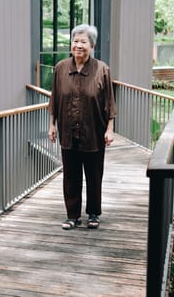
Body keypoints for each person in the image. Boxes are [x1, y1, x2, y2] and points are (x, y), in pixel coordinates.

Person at [48, 24, 117, 230]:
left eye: (83, 42)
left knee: (94, 175)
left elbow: (109, 103)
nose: (78, 45)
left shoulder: (102, 70)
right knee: (71, 175)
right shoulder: (61, 68)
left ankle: (94, 213)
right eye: (75, 41)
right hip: (68, 131)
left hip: (94, 133)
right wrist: (52, 125)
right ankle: (73, 215)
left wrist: (110, 128)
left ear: (92, 45)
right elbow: (55, 98)